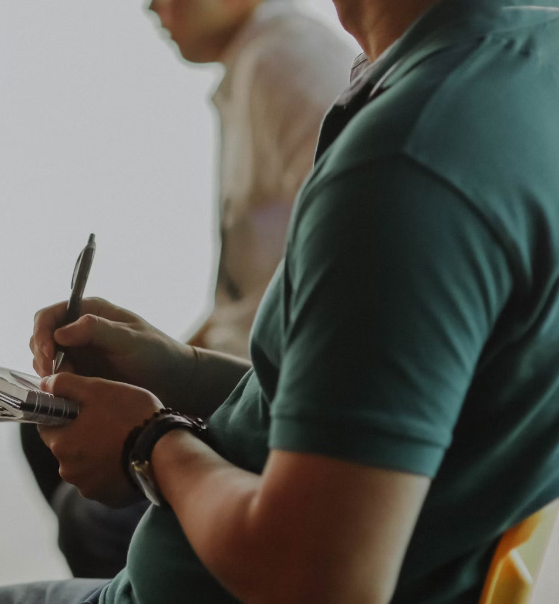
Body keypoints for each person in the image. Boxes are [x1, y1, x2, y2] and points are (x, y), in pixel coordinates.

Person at [0, 0, 559, 602]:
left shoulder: (407, 161)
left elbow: (320, 580)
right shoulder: (522, 53)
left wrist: (149, 442)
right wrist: (179, 369)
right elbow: (381, 412)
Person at [19, 0, 355, 578]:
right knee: (46, 418)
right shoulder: (257, 63)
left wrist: (158, 431)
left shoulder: (287, 66)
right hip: (245, 378)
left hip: (269, 403)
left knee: (88, 512)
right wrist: (168, 357)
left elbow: (342, 285)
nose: (149, 5)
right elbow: (251, 291)